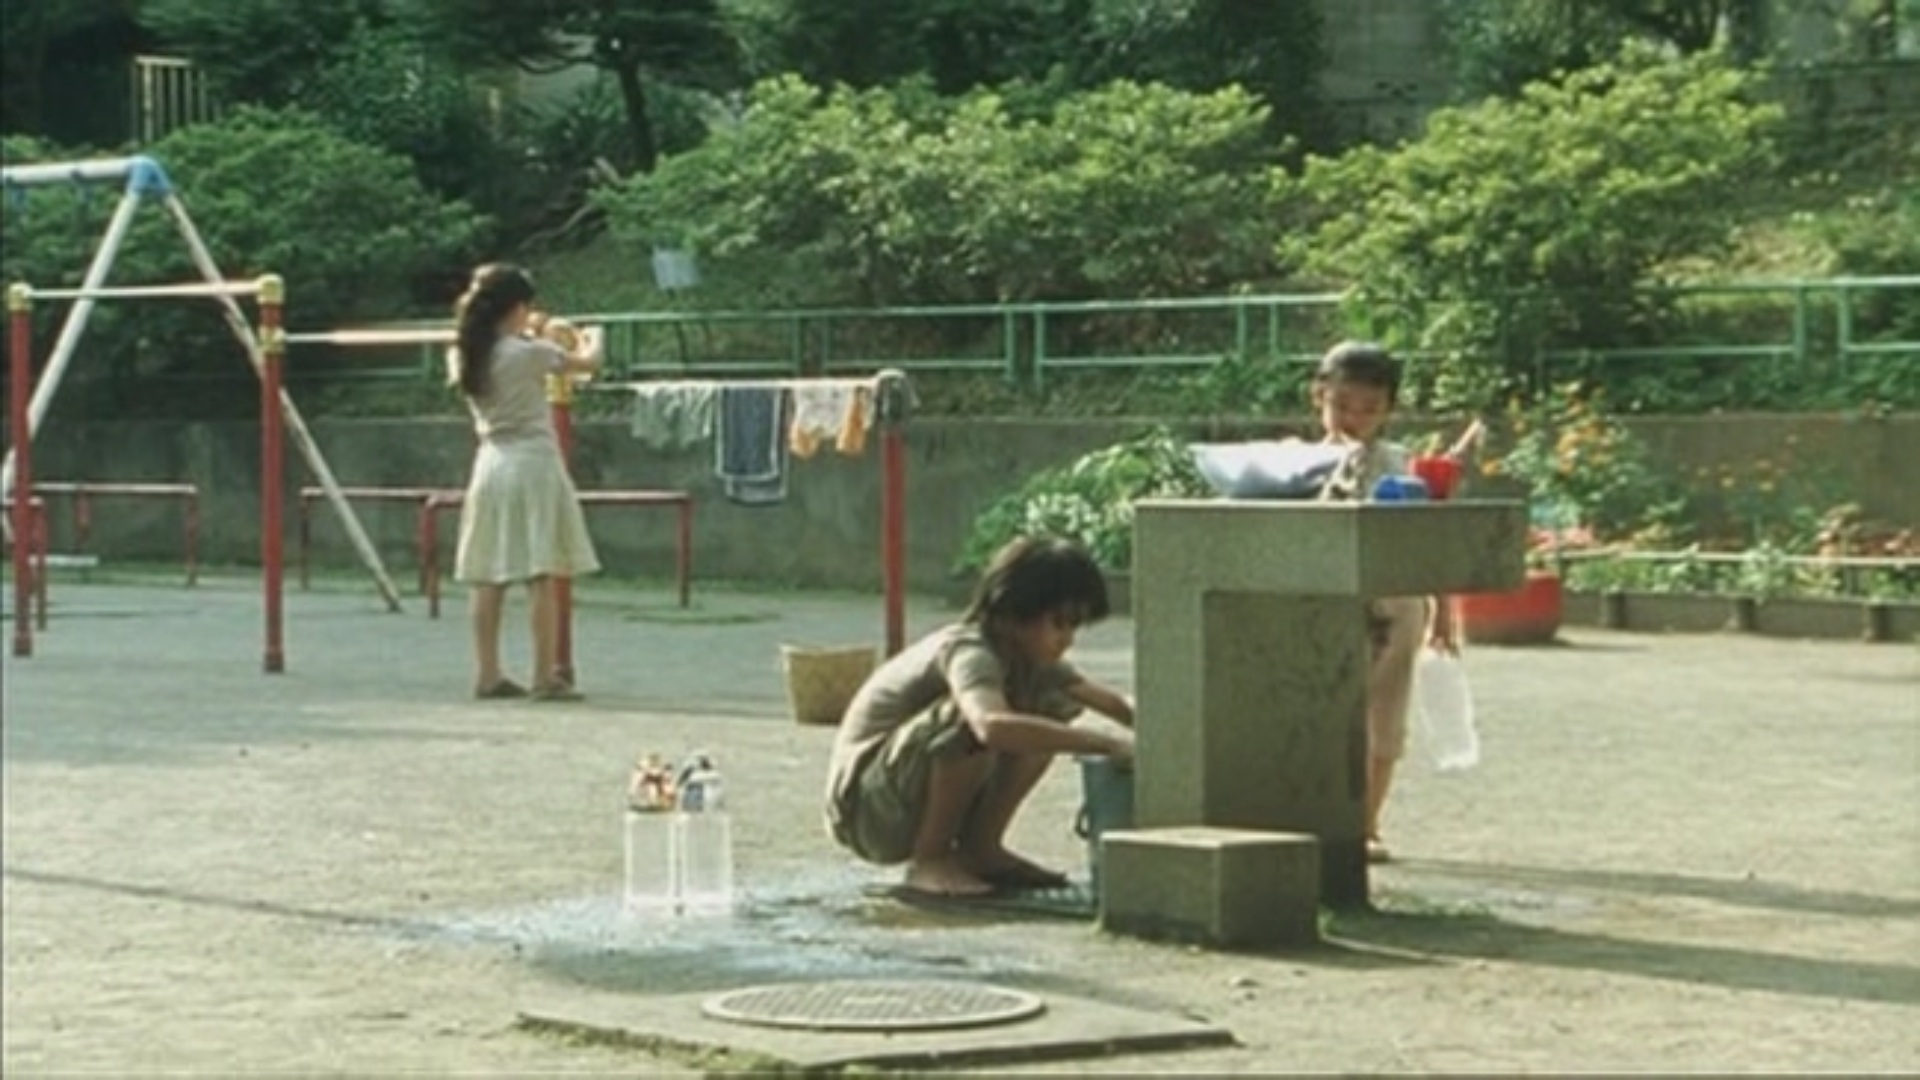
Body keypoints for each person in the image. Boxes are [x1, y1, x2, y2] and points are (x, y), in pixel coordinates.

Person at [824, 535, 1136, 898]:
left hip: (898, 800)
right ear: (1013, 614)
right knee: (974, 725)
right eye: (1058, 624)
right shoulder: (970, 650)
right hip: (868, 814)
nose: (1067, 639)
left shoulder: (1028, 657)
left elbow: (1114, 705)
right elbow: (990, 727)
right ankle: (930, 859)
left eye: (1073, 627)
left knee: (1046, 713)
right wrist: (1105, 744)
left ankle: (980, 850)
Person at [1309, 341, 1460, 863]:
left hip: (1396, 603)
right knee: (1325, 714)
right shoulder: (1296, 462)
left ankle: (1367, 823)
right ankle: (1322, 820)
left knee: (1386, 716)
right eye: (1342, 405)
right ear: (1319, 397)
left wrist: (1444, 612)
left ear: (1389, 410)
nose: (1354, 419)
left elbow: (1430, 541)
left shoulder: (1403, 467)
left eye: (1369, 408)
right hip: (1326, 604)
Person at [448, 262, 602, 702]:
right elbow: (588, 363)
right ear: (516, 307)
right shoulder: (525, 353)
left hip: (490, 461)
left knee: (488, 573)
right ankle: (544, 675)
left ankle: (488, 673)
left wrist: (533, 331)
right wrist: (593, 334)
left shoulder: (465, 352)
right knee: (541, 571)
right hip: (533, 461)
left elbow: (515, 346)